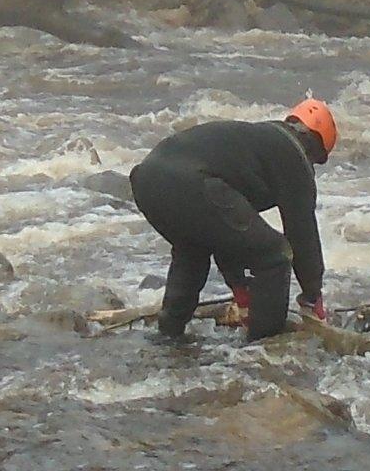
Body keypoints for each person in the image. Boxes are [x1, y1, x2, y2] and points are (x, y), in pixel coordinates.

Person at [128, 98, 337, 343]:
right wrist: (313, 296)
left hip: (147, 180)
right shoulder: (292, 153)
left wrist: (240, 287)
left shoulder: (255, 140)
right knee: (276, 255)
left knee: (192, 250)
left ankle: (169, 335)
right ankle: (266, 345)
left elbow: (227, 231)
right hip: (193, 182)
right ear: (316, 145)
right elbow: (302, 235)